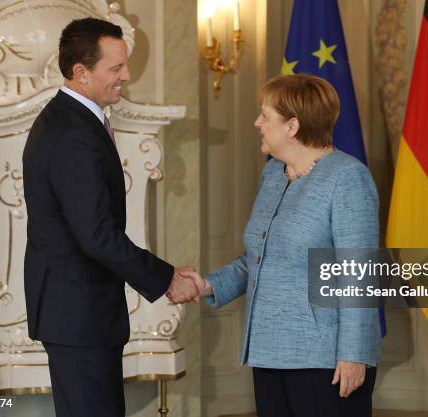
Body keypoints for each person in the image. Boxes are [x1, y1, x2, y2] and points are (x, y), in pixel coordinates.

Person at [177, 74, 381, 417]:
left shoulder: (347, 178)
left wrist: (354, 354)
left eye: (265, 116)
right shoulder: (273, 174)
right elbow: (260, 259)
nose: (257, 123)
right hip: (269, 351)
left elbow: (358, 274)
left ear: (292, 126)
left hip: (326, 359)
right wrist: (209, 284)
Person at [22, 18, 196, 417]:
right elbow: (97, 235)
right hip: (79, 316)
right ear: (81, 72)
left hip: (80, 313)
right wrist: (166, 278)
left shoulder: (73, 120)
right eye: (116, 68)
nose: (127, 76)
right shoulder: (72, 133)